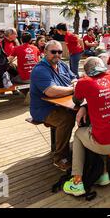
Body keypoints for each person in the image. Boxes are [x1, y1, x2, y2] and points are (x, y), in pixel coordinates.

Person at [63, 57, 110, 196]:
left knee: (79, 134)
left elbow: (76, 100)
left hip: (106, 144)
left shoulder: (84, 82)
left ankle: (77, 181)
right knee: (98, 130)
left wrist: (79, 88)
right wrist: (87, 106)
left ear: (87, 71)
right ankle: (103, 174)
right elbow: (104, 96)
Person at [30, 40, 78, 171]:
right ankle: (60, 158)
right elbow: (51, 91)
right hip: (44, 109)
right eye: (53, 52)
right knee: (66, 119)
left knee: (84, 111)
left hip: (64, 104)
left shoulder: (62, 64)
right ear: (45, 52)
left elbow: (74, 77)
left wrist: (74, 83)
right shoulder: (40, 69)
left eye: (60, 52)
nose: (57, 54)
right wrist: (74, 89)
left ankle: (85, 150)